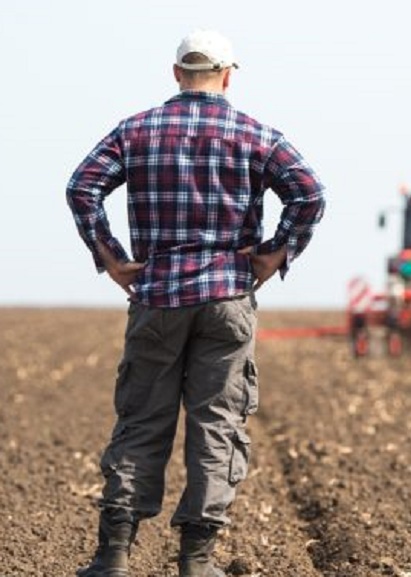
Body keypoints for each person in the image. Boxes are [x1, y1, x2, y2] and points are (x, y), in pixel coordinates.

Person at [67, 30, 325, 577]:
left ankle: (113, 557)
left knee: (141, 422)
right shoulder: (257, 135)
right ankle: (197, 561)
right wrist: (276, 254)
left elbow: (82, 186)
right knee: (218, 425)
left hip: (157, 296)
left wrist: (111, 258)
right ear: (229, 75)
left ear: (176, 73)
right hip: (228, 297)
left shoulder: (135, 130)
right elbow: (309, 193)